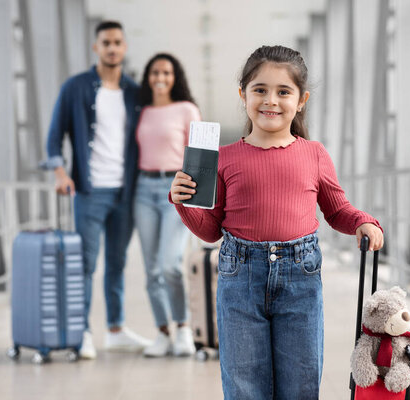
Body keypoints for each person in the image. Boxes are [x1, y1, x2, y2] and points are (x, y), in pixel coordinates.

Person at [169, 45, 384, 399]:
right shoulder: (224, 158)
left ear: (301, 100)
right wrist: (183, 203)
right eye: (260, 90)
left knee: (301, 379)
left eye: (283, 91)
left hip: (300, 278)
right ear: (243, 95)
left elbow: (337, 209)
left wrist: (363, 221)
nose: (271, 100)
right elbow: (210, 230)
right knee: (244, 382)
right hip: (240, 277)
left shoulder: (314, 154)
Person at [45, 21, 151, 360]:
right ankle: (82, 332)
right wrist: (61, 174)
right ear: (96, 47)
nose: (112, 48)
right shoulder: (75, 87)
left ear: (124, 47)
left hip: (125, 192)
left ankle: (116, 329)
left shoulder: (135, 93)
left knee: (117, 263)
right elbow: (53, 136)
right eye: (106, 42)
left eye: (118, 42)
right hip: (89, 192)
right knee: (86, 264)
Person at [134, 53, 201, 357]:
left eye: (166, 72)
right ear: (148, 76)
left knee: (169, 263)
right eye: (155, 72)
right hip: (143, 189)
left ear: (175, 77)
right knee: (151, 269)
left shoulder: (187, 109)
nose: (160, 77)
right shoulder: (143, 111)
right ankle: (162, 332)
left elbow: (199, 155)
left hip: (176, 190)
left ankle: (183, 326)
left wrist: (199, 198)